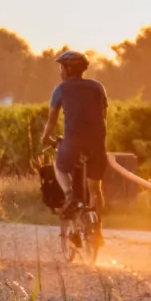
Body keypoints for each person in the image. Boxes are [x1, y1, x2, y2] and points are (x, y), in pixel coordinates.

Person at [40, 50, 108, 217]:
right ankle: (96, 231)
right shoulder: (97, 87)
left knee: (59, 166)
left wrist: (45, 138)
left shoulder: (61, 89)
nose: (60, 71)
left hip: (73, 142)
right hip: (97, 143)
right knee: (95, 190)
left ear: (68, 69)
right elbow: (104, 116)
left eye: (61, 68)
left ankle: (70, 196)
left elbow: (52, 121)